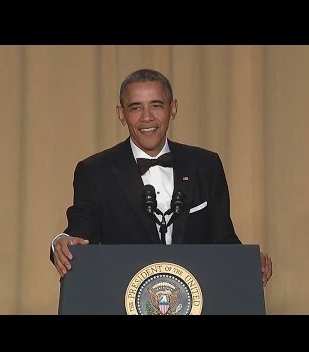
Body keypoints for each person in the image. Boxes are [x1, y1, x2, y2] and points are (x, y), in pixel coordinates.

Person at [50, 68, 273, 287]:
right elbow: (80, 235)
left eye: (156, 105)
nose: (147, 117)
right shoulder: (95, 171)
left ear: (173, 108)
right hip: (121, 299)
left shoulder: (205, 165)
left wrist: (248, 261)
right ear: (121, 114)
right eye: (135, 107)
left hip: (197, 301)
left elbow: (223, 239)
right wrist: (60, 243)